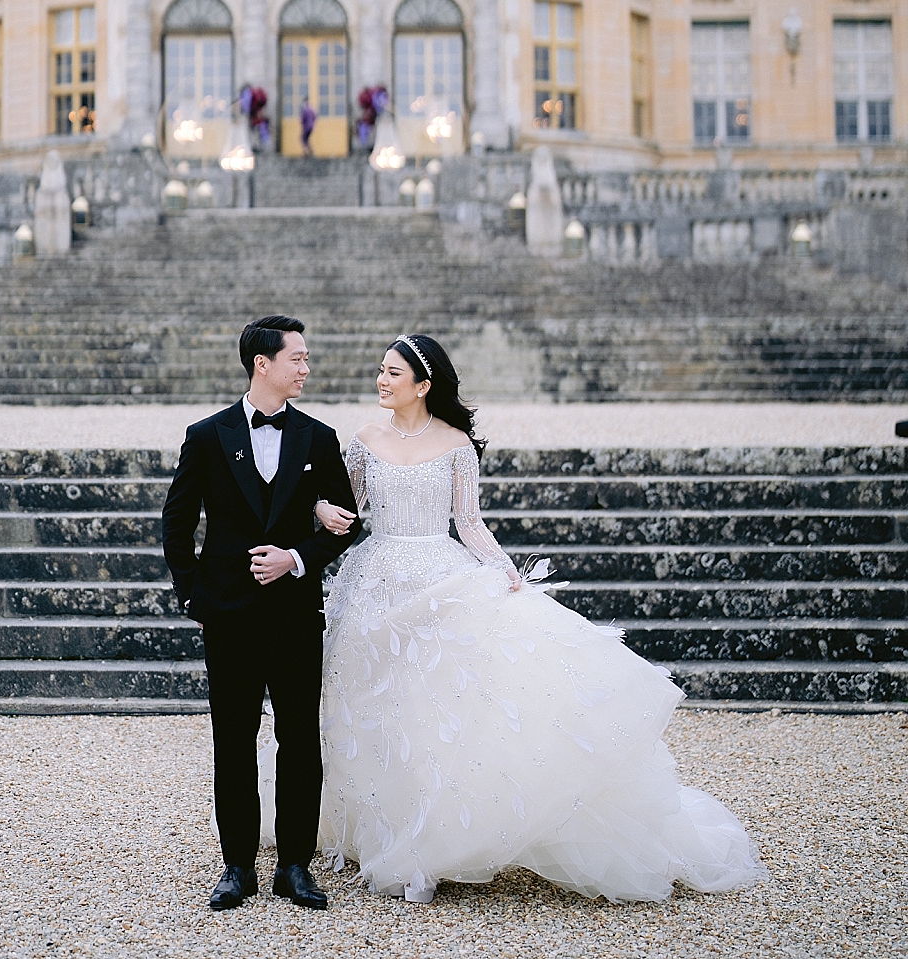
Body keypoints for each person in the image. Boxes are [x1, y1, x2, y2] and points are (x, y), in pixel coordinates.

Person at [310, 335, 768, 905]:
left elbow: (470, 523)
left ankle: (431, 835)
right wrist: (322, 510)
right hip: (373, 583)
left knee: (435, 709)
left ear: (423, 385)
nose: (381, 380)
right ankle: (376, 825)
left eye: (392, 373)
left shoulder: (456, 445)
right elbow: (342, 511)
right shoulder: (362, 442)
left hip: (437, 578)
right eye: (380, 370)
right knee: (375, 706)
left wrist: (507, 574)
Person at [161, 315, 359, 913]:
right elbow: (177, 522)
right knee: (234, 739)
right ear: (262, 364)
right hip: (229, 615)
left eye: (305, 357)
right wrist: (194, 593)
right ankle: (237, 865)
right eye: (296, 357)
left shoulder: (320, 438)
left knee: (300, 739)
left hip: (297, 614)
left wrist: (298, 556)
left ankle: (295, 865)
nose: (306, 366)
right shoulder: (206, 435)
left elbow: (348, 523)